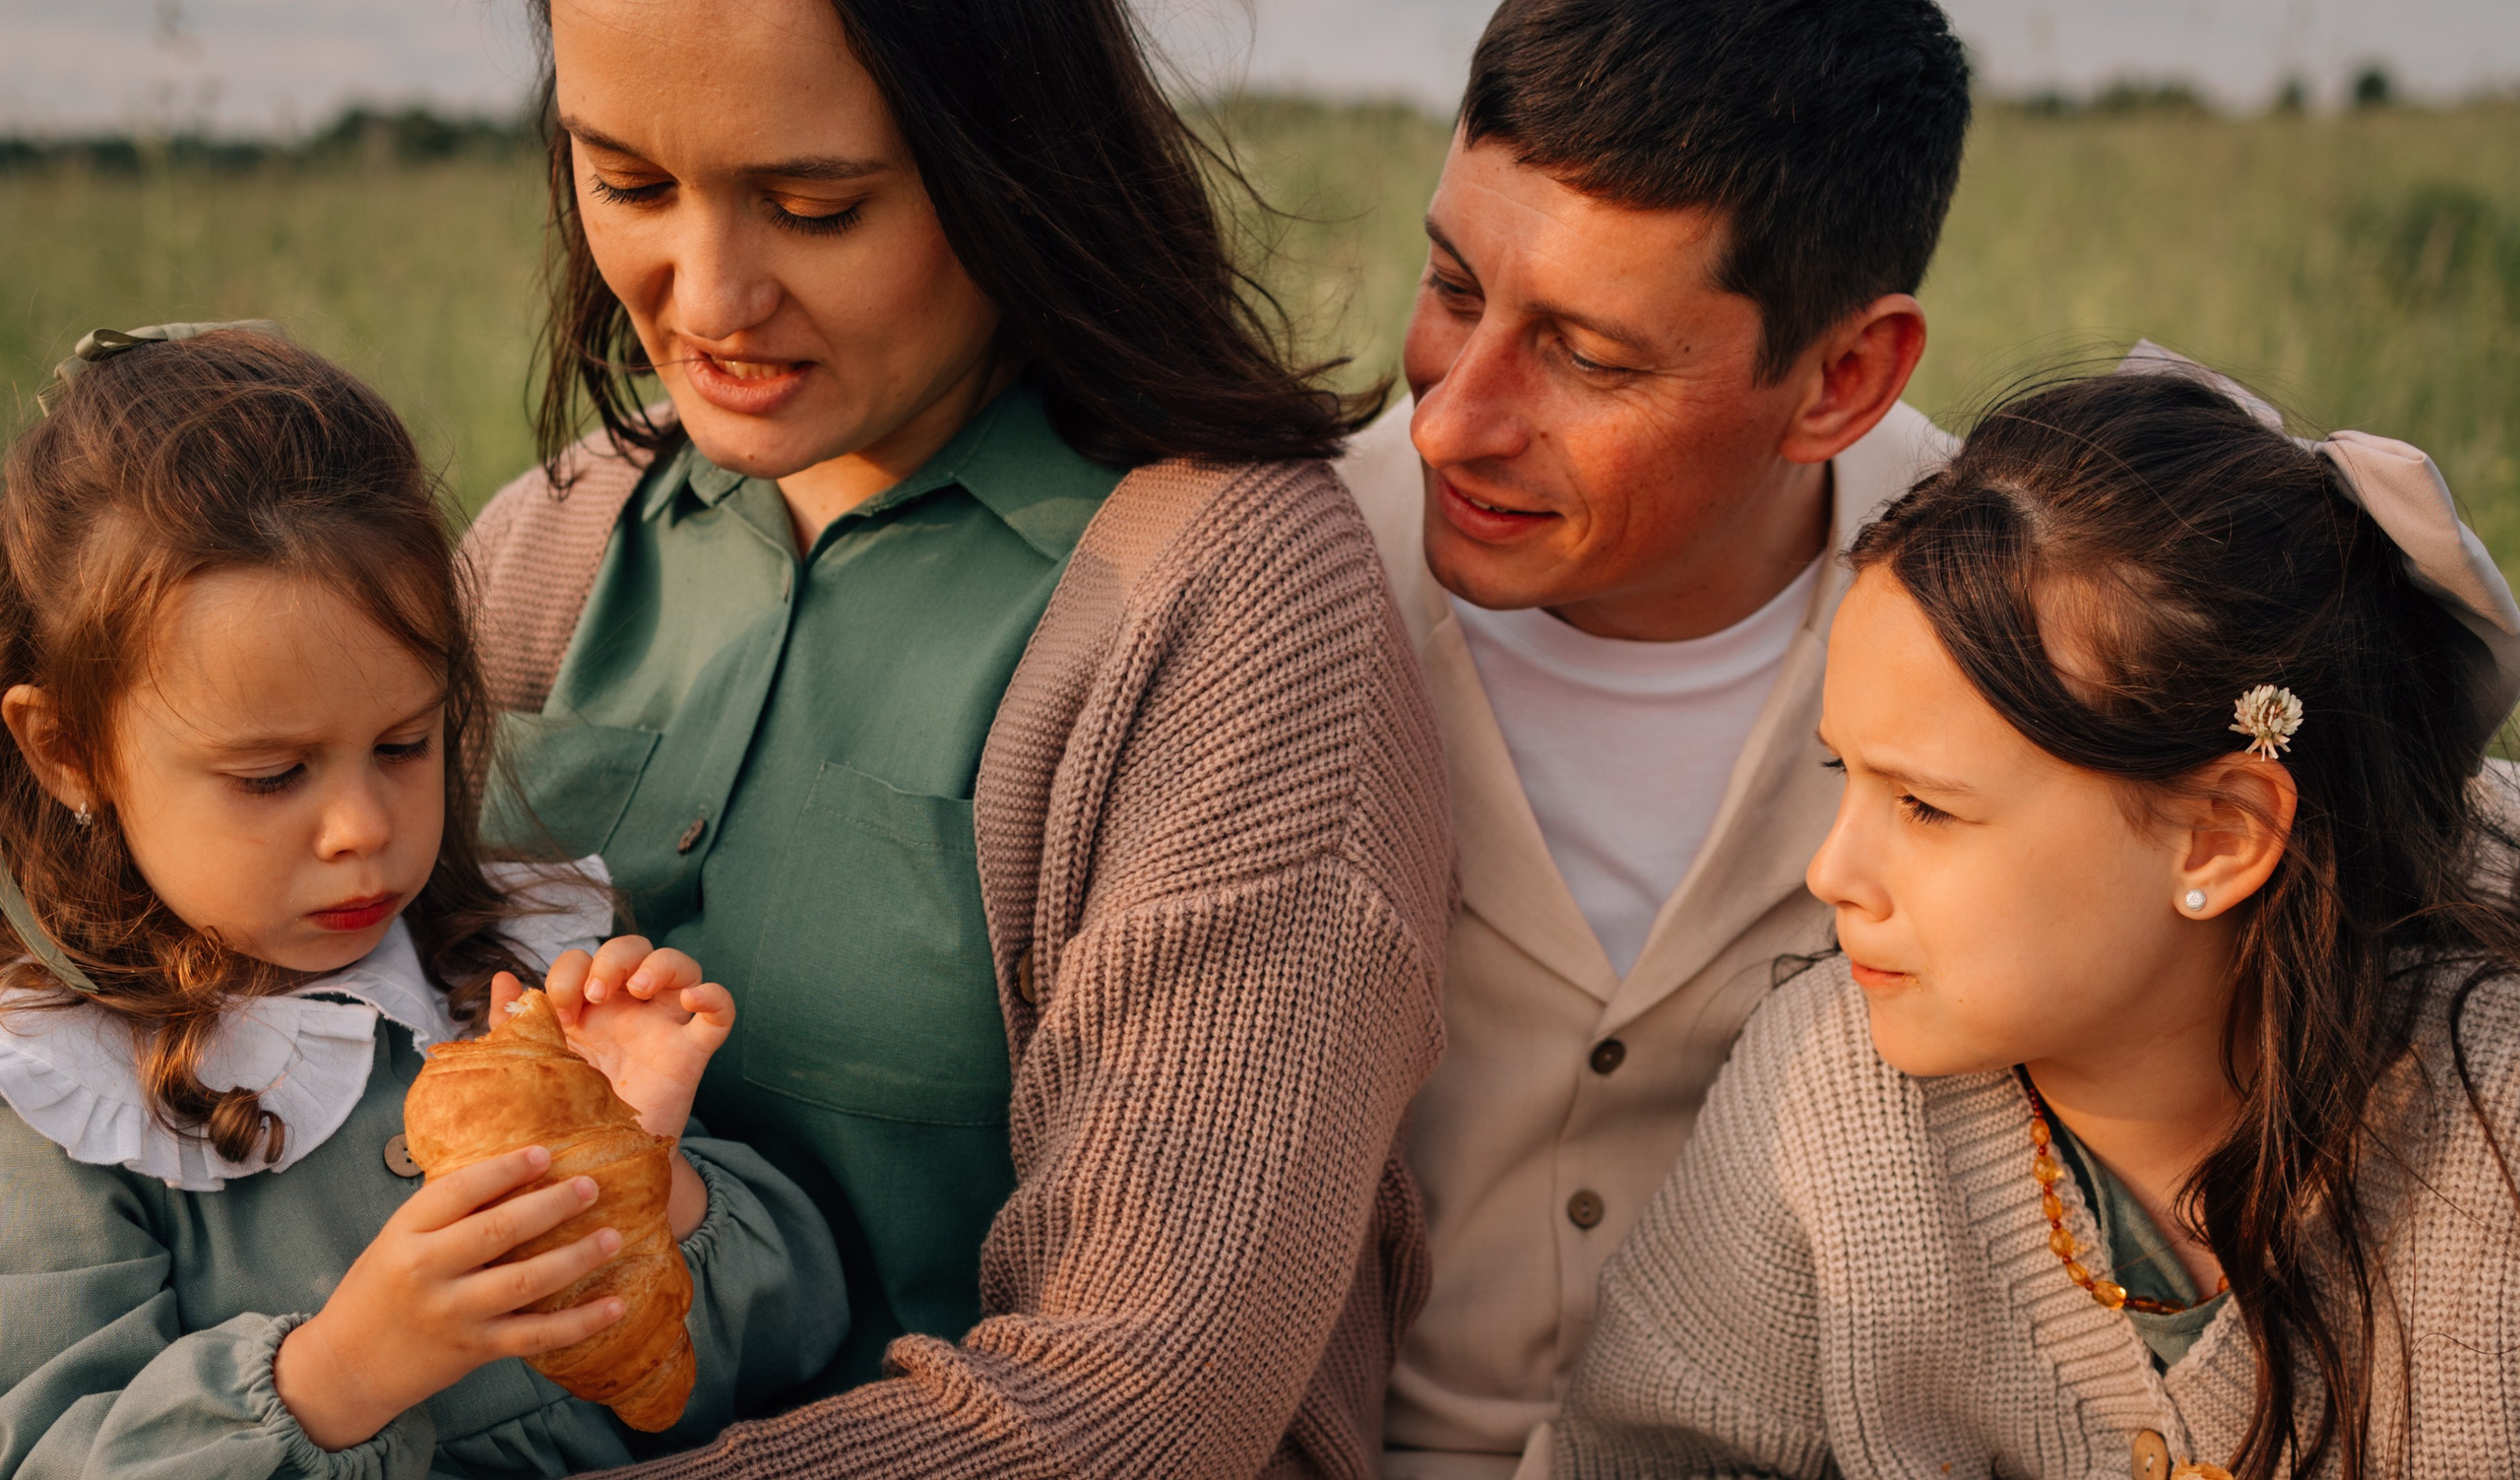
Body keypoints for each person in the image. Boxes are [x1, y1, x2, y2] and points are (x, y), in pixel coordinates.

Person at [460, 0, 1453, 1474]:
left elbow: (1138, 1406)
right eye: (628, 183)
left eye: (816, 208)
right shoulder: (547, 545)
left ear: (1015, 163)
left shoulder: (1230, 602)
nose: (709, 296)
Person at [1556, 359, 2520, 1477]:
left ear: (2220, 833)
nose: (1831, 873)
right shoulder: (1829, 1089)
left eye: (1925, 806)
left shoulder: (2491, 1132)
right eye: (1843, 775)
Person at [0, 325, 845, 1478]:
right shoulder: (57, 1098)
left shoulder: (518, 980)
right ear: (66, 751)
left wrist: (641, 1172)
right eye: (272, 775)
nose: (362, 826)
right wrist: (342, 1374)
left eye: (403, 744)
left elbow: (794, 1342)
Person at [1330, 1, 1970, 1471]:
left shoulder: (2031, 613)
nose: (1449, 424)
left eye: (1591, 358)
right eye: (1452, 288)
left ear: (1842, 379)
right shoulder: (1259, 577)